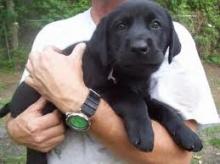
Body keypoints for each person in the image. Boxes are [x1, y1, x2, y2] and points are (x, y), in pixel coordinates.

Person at [6, 0, 220, 163]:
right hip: (39, 115)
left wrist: (172, 121)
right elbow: (112, 92)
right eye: (121, 26)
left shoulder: (179, 34)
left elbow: (177, 159)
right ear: (104, 40)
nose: (139, 42)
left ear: (171, 42)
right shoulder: (52, 33)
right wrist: (15, 129)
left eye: (155, 25)